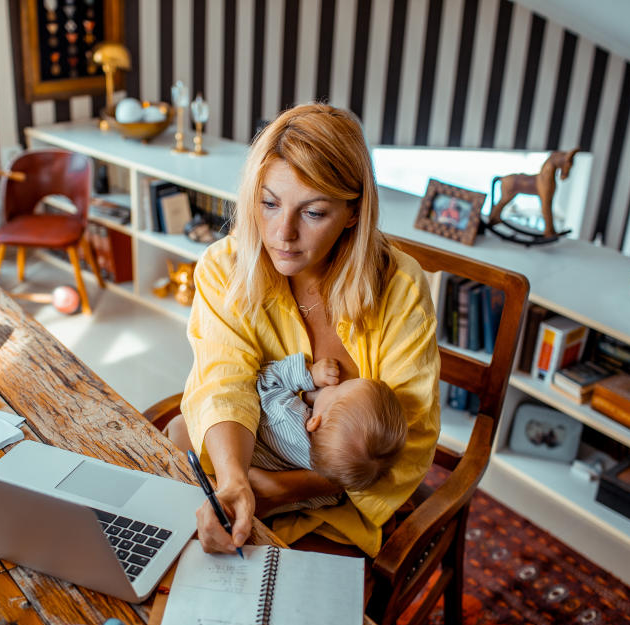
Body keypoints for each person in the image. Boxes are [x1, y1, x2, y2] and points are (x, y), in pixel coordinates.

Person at [172, 102, 441, 558]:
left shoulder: (400, 286)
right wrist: (238, 481)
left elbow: (408, 436)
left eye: (313, 213)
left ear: (353, 213)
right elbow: (223, 381)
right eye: (269, 204)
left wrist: (285, 489)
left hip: (344, 504)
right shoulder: (225, 266)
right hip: (248, 474)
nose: (282, 234)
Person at [251, 352, 408, 514]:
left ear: (314, 421)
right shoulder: (327, 496)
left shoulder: (285, 414)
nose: (333, 386)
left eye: (338, 389)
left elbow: (260, 380)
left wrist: (310, 374)